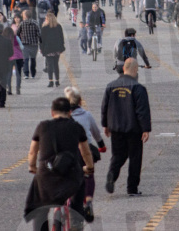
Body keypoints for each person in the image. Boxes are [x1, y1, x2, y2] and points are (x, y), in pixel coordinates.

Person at [24, 97, 95, 231]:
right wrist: (89, 167)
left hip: (46, 176)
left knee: (41, 209)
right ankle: (76, 219)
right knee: (78, 190)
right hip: (70, 175)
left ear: (52, 112)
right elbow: (85, 152)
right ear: (69, 112)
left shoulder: (42, 126)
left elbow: (33, 152)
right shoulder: (76, 127)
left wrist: (32, 167)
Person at [101, 58, 151, 197]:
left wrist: (105, 124)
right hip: (133, 129)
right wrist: (145, 129)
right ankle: (132, 188)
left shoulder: (111, 86)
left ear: (123, 69)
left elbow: (105, 107)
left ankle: (112, 175)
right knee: (135, 158)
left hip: (116, 128)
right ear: (135, 70)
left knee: (118, 155)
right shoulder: (138, 88)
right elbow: (142, 110)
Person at [64, 87, 105, 222]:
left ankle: (70, 200)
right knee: (89, 174)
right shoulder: (87, 115)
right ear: (80, 102)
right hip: (85, 151)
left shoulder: (62, 117)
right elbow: (96, 132)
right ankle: (88, 201)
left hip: (69, 152)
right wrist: (101, 146)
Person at [39, 12, 65, 88]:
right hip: (57, 48)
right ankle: (57, 81)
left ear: (47, 19)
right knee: (56, 65)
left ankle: (51, 81)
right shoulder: (58, 26)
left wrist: (41, 48)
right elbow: (61, 37)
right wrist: (61, 46)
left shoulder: (44, 28)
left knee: (50, 65)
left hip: (48, 49)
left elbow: (41, 40)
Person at [16, 9, 41, 79]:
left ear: (25, 16)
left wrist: (20, 40)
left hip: (25, 44)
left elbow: (17, 33)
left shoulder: (22, 23)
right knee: (33, 59)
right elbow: (39, 34)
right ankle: (33, 73)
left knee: (25, 59)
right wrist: (40, 42)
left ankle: (26, 74)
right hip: (34, 44)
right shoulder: (35, 23)